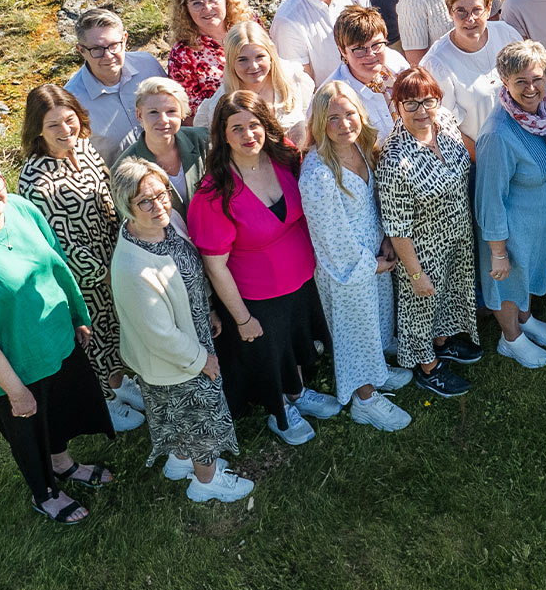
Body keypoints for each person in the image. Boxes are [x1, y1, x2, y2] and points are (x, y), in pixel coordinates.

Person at [0, 150, 115, 525]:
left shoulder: (19, 207)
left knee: (60, 412)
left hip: (55, 339)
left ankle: (63, 466)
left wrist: (77, 315)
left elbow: (55, 261)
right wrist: (15, 391)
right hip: (12, 367)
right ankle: (44, 494)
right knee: (28, 433)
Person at [186, 92, 339, 447]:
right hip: (257, 296)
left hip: (301, 281)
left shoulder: (285, 158)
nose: (247, 134)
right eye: (236, 128)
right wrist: (241, 318)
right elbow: (215, 266)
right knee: (270, 356)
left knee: (295, 345)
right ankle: (280, 412)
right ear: (222, 135)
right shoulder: (214, 193)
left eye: (253, 124)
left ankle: (298, 392)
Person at [109, 158, 254, 502]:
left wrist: (210, 308)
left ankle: (180, 460)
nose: (158, 205)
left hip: (192, 332)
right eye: (145, 201)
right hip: (174, 356)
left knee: (177, 415)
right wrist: (201, 359)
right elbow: (159, 333)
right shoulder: (133, 267)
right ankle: (206, 482)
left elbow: (189, 268)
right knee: (198, 414)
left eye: (162, 194)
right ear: (125, 206)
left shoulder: (166, 222)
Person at [17, 86, 142, 431]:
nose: (65, 130)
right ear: (37, 129)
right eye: (53, 124)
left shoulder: (86, 148)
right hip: (84, 272)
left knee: (117, 325)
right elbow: (58, 243)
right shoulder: (34, 180)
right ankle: (106, 399)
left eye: (70, 120)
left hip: (115, 251)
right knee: (96, 331)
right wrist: (103, 273)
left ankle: (119, 381)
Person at [296, 84, 414, 431]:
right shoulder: (318, 173)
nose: (345, 123)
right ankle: (364, 398)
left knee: (376, 320)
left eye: (350, 114)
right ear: (319, 123)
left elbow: (371, 201)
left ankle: (375, 370)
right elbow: (330, 238)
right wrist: (367, 264)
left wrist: (386, 242)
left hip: (375, 252)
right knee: (354, 332)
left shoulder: (361, 150)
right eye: (333, 117)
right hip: (346, 267)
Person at [375, 68, 480, 398]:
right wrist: (416, 273)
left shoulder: (445, 123)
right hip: (422, 247)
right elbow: (396, 227)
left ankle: (442, 342)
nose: (422, 111)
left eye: (428, 101)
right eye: (411, 104)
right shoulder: (394, 159)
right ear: (397, 107)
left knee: (448, 295)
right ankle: (426, 366)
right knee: (421, 305)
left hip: (457, 234)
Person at [476, 40, 546, 369]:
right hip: (511, 226)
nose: (532, 89)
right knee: (509, 280)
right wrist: (498, 251)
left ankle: (526, 318)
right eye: (520, 82)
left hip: (540, 220)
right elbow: (490, 199)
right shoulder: (498, 134)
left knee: (528, 274)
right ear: (505, 83)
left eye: (537, 78)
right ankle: (510, 337)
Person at [420, 0, 523, 152]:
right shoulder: (436, 64)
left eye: (477, 10)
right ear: (450, 12)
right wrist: (485, 160)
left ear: (488, 9)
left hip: (522, 143)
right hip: (479, 156)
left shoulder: (507, 35)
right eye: (461, 11)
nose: (470, 19)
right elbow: (446, 129)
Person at [66, 7, 165, 163]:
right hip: (123, 184)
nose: (108, 56)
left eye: (113, 45)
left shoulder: (149, 66)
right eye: (97, 49)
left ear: (124, 39)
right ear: (81, 51)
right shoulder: (71, 101)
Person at [193, 21, 314, 146]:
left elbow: (311, 130)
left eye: (260, 56)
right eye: (243, 59)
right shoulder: (221, 102)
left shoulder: (295, 79)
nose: (253, 66)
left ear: (271, 55)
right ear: (231, 63)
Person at [322, 6, 412, 147]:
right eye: (359, 49)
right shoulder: (332, 96)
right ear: (342, 51)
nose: (370, 55)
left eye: (376, 44)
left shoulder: (397, 64)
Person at [165, 0, 250, 115]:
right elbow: (188, 114)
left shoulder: (249, 27)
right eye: (197, 3)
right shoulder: (182, 54)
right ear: (185, 8)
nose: (207, 8)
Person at [117, 76, 211, 209]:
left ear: (182, 113)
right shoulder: (124, 167)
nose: (163, 120)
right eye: (153, 112)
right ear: (139, 115)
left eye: (171, 111)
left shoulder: (204, 141)